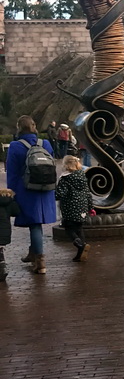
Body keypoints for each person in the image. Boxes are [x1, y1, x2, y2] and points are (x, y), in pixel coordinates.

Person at [6, 116, 57, 274]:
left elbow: (12, 173)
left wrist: (12, 192)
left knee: (34, 225)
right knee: (37, 222)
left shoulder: (15, 146)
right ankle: (32, 252)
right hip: (46, 188)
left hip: (26, 189)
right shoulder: (45, 143)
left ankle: (40, 260)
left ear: (19, 127)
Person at [55, 155, 93, 262]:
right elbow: (87, 193)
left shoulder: (65, 178)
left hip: (69, 208)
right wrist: (91, 207)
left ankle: (80, 245)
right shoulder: (82, 176)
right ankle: (81, 252)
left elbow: (61, 194)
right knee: (79, 228)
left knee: (69, 228)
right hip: (82, 207)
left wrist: (53, 193)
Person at [0, 187, 21, 282]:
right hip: (5, 231)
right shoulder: (10, 202)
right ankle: (2, 268)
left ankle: (2, 268)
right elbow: (16, 212)